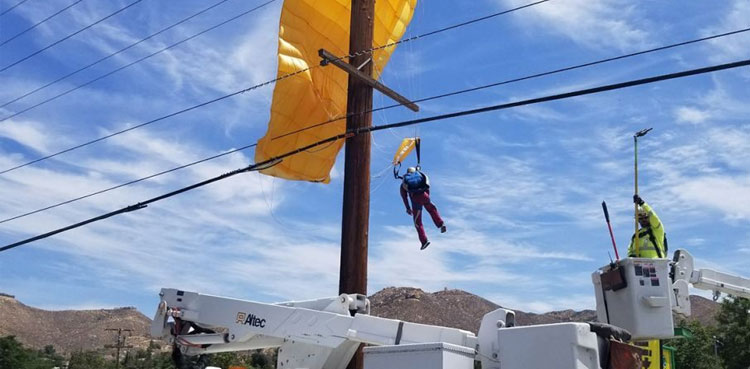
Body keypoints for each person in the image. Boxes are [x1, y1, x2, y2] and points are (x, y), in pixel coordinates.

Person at [400, 167, 446, 250]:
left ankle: (424, 241)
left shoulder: (404, 183)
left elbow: (404, 197)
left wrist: (407, 208)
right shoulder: (420, 176)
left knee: (418, 222)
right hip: (425, 196)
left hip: (416, 201)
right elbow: (427, 186)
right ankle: (440, 224)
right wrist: (427, 198)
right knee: (432, 209)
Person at [628, 194, 667, 258]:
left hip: (657, 265)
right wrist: (631, 256)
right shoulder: (635, 236)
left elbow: (653, 216)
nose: (643, 220)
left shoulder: (657, 229)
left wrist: (642, 203)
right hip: (641, 266)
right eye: (641, 218)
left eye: (645, 218)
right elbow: (630, 250)